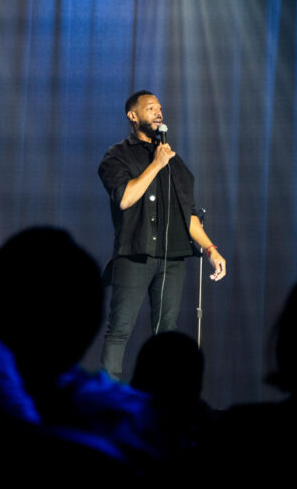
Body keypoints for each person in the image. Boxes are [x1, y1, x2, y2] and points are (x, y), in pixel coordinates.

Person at [98, 90, 226, 380]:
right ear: (133, 116)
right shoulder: (117, 156)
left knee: (166, 332)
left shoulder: (175, 162)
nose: (158, 112)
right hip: (135, 255)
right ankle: (108, 396)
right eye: (150, 107)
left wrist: (210, 249)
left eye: (160, 108)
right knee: (119, 329)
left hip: (172, 257)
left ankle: (161, 397)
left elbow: (188, 215)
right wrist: (156, 165)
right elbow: (124, 198)